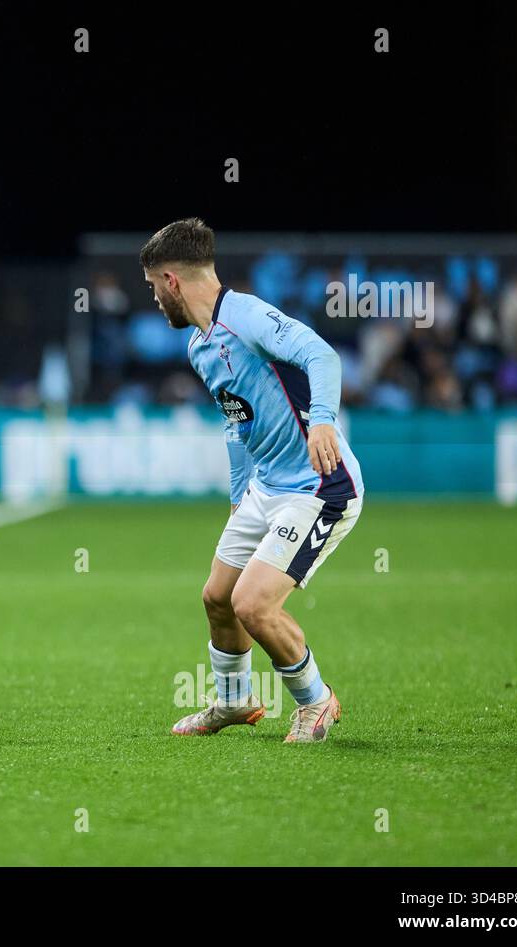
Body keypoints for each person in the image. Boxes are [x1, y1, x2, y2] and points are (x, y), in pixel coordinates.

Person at [140, 218, 363, 743]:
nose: (153, 299)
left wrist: (323, 418)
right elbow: (237, 420)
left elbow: (321, 355)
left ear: (172, 281)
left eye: (153, 287)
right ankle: (234, 701)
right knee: (218, 597)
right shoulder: (199, 344)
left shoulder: (247, 316)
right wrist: (240, 494)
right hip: (266, 489)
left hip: (319, 488)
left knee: (252, 604)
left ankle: (316, 702)